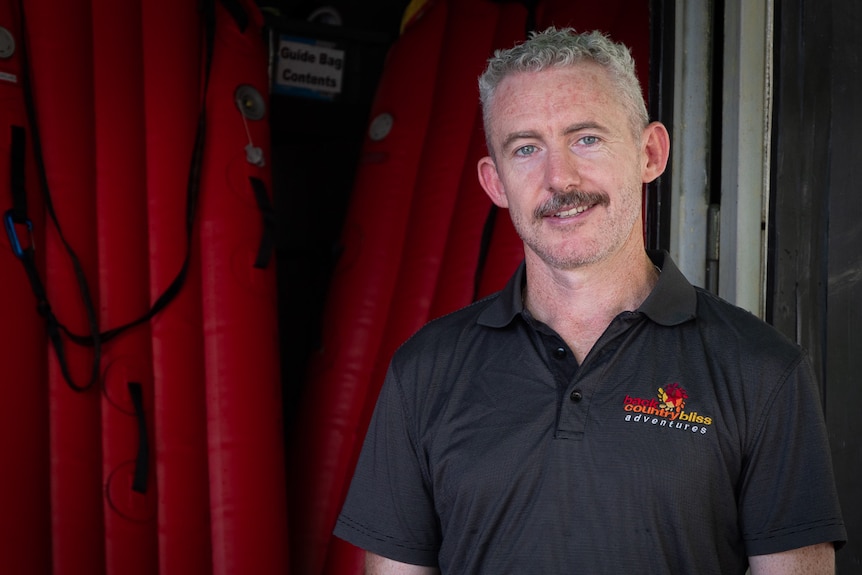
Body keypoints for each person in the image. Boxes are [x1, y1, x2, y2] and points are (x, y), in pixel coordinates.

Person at [333, 27, 846, 574]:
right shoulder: (425, 372)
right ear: (495, 183)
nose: (561, 179)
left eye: (586, 139)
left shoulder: (761, 371)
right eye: (526, 148)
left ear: (650, 153)